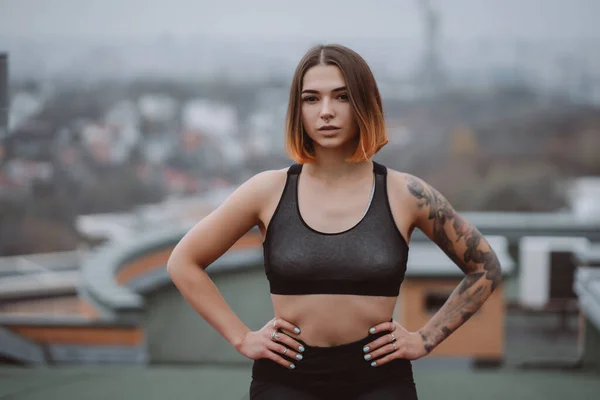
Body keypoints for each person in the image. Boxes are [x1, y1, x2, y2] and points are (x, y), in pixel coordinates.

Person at [167, 43, 503, 400]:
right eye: (311, 99)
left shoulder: (407, 193)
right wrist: (241, 337)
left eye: (341, 97)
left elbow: (485, 267)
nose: (326, 111)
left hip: (380, 379)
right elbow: (183, 262)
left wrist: (426, 337)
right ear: (298, 110)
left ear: (363, 103)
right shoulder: (267, 190)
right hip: (286, 379)